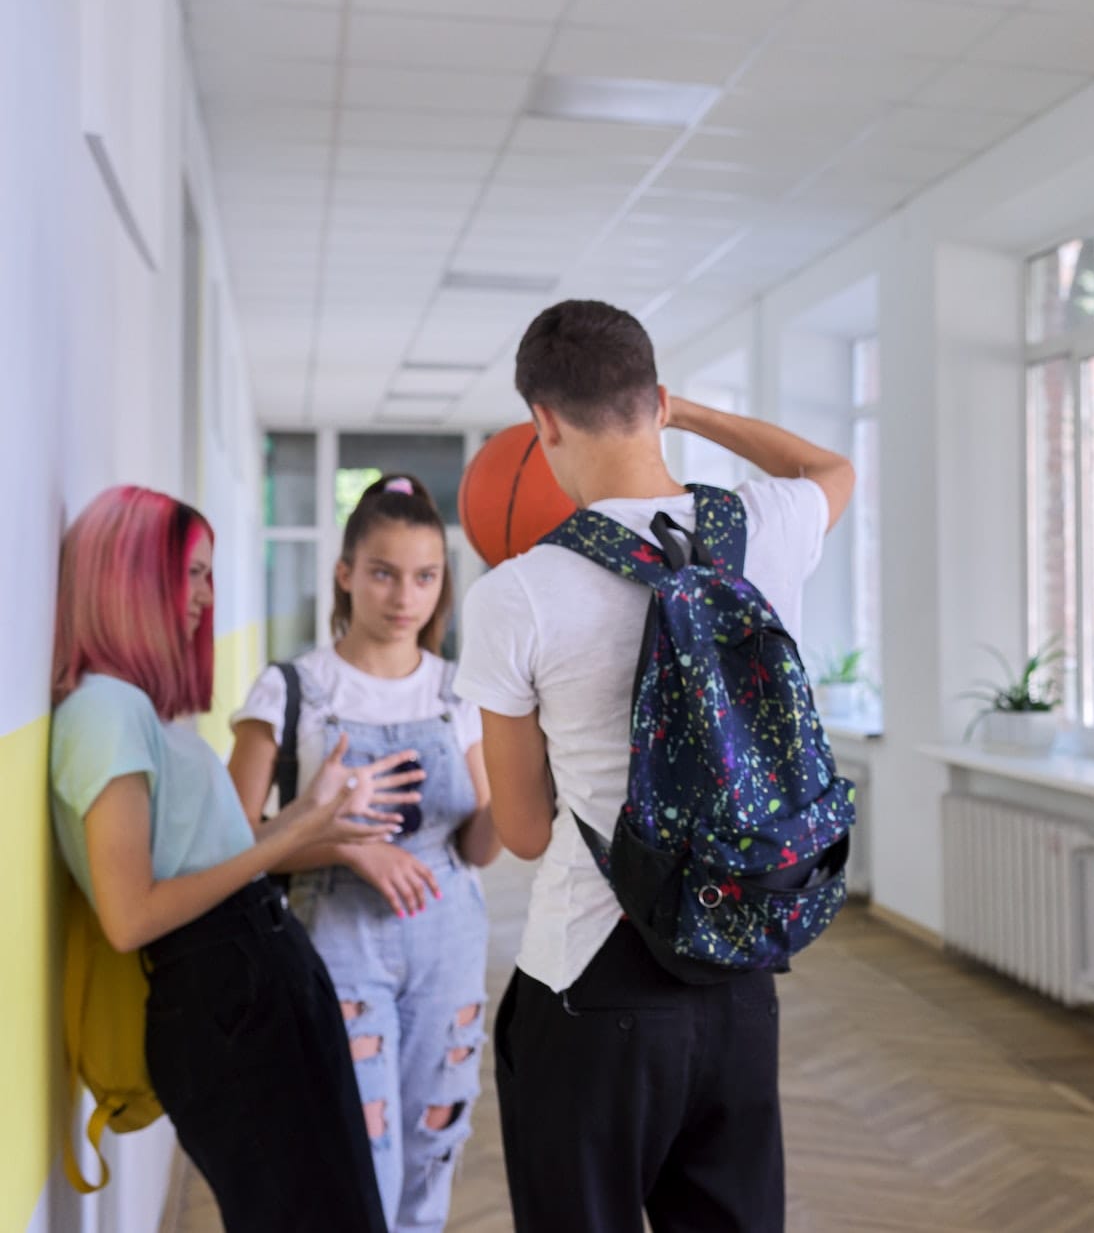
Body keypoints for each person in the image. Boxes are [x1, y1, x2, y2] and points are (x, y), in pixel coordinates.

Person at [454, 299, 854, 1232]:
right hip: (742, 963)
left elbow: (520, 831)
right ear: (654, 399)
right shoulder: (766, 527)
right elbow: (830, 467)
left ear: (543, 422)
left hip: (592, 980)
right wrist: (698, 417)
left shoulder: (518, 593)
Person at [48, 486, 421, 1233]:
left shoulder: (138, 710)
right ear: (129, 572)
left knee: (343, 1212)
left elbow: (208, 856)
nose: (205, 595)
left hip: (255, 971)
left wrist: (309, 819)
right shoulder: (102, 713)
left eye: (208, 574)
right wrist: (290, 836)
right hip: (225, 991)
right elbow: (132, 915)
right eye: (190, 572)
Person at [226, 474, 497, 1233]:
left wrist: (514, 796)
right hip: (334, 943)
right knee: (354, 1152)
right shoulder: (292, 690)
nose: (403, 595)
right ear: (345, 572)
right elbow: (227, 846)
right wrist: (344, 847)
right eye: (382, 571)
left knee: (430, 1148)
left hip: (449, 943)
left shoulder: (459, 693)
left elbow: (476, 845)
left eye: (424, 576)